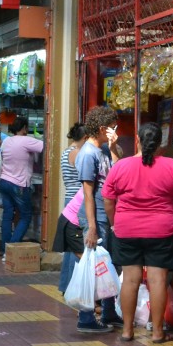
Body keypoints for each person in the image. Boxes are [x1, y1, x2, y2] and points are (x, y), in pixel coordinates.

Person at [102, 123, 173, 342]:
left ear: (137, 139)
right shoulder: (172, 166)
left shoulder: (121, 167)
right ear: (160, 143)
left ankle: (127, 330)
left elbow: (108, 200)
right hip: (162, 231)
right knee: (157, 281)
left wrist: (116, 223)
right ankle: (157, 332)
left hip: (127, 230)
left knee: (130, 281)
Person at [75, 105, 123, 333]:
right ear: (103, 128)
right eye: (112, 127)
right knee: (95, 269)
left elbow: (118, 169)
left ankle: (109, 311)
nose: (115, 130)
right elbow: (87, 193)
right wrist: (92, 227)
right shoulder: (87, 154)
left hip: (108, 217)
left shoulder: (103, 150)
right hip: (96, 219)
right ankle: (86, 317)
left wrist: (113, 147)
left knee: (110, 265)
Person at [0, 117, 44, 251]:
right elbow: (46, 146)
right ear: (24, 128)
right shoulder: (26, 141)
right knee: (26, 215)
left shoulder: (6, 141)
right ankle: (12, 248)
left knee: (8, 215)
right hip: (19, 184)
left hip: (4, 181)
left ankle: (4, 247)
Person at [56, 123, 87, 294]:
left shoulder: (67, 151)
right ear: (84, 138)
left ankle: (66, 284)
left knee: (71, 245)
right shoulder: (77, 153)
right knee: (76, 245)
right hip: (78, 200)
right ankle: (71, 285)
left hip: (70, 198)